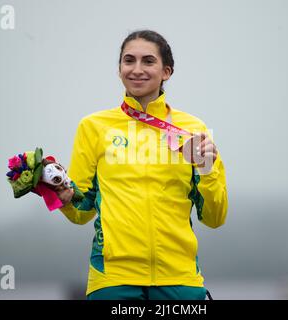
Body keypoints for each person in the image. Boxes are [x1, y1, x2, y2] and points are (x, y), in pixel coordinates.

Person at [54, 30, 228, 300]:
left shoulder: (194, 129)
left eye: (148, 61)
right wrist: (63, 197)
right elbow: (82, 211)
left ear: (166, 71)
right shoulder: (93, 127)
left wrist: (207, 169)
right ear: (119, 69)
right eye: (128, 60)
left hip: (180, 280)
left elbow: (214, 218)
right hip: (112, 280)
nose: (137, 69)